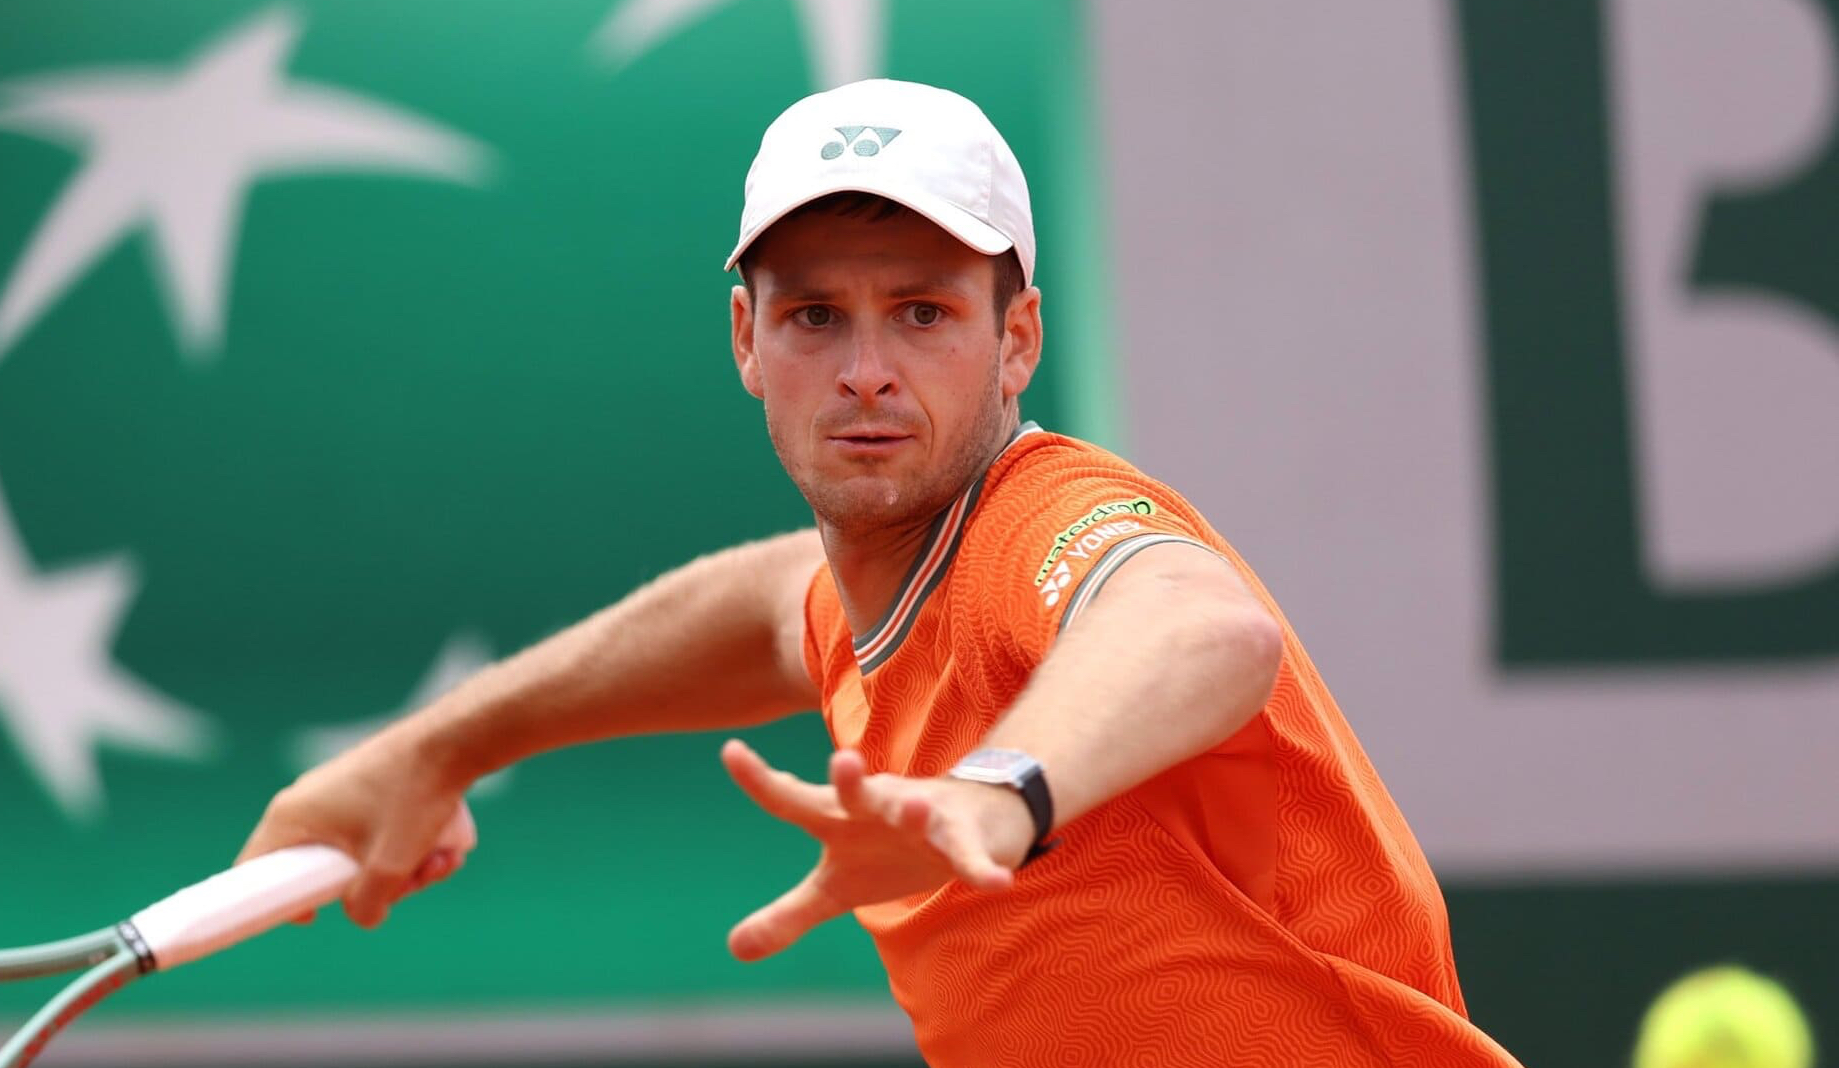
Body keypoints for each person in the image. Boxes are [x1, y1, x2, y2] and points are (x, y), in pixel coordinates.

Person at [239, 79, 1523, 1067]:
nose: (865, 372)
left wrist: (994, 794)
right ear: (746, 339)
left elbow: (1201, 627)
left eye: (922, 312)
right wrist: (435, 750)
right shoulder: (864, 600)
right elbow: (758, 610)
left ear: (1016, 339)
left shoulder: (1040, 522)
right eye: (815, 316)